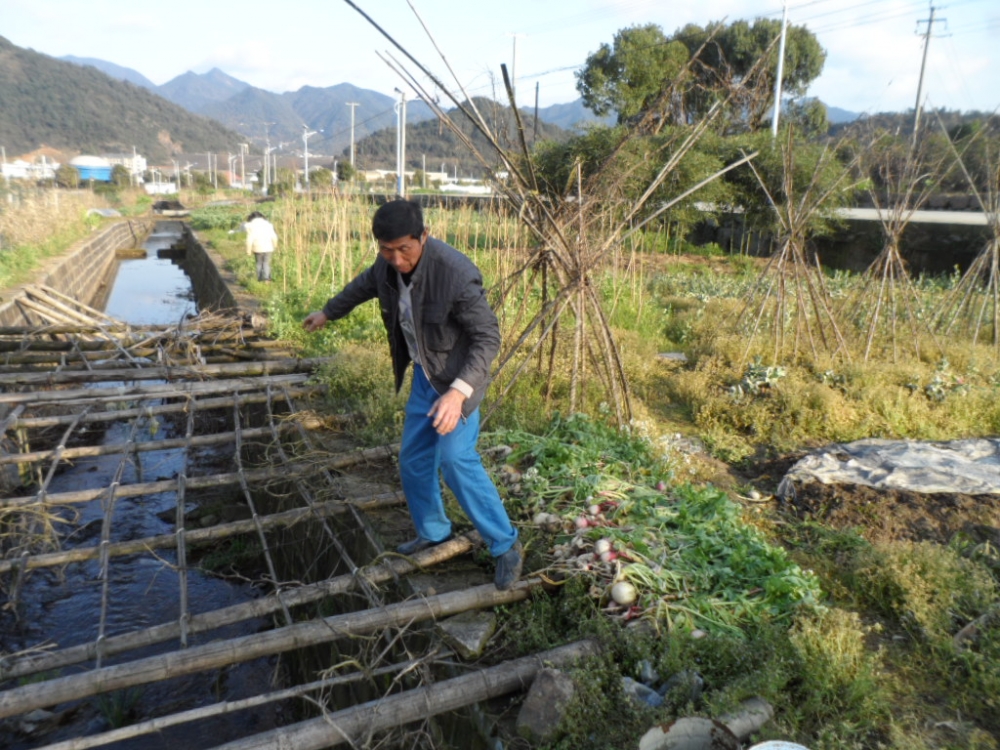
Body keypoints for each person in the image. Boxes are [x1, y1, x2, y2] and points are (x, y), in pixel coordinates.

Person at [302, 200, 523, 590]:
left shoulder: (455, 273)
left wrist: (457, 395)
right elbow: (362, 286)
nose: (397, 259)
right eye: (387, 250)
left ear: (424, 235)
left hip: (457, 382)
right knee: (414, 460)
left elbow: (488, 337)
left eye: (405, 248)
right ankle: (434, 531)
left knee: (456, 459)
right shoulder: (386, 267)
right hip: (425, 375)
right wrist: (328, 313)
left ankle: (505, 545)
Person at [244, 211, 278, 282]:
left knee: (259, 263)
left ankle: (259, 278)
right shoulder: (268, 225)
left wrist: (248, 251)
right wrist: (275, 245)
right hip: (268, 247)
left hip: (257, 248)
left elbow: (249, 239)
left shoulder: (250, 226)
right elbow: (274, 236)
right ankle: (267, 279)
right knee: (266, 263)